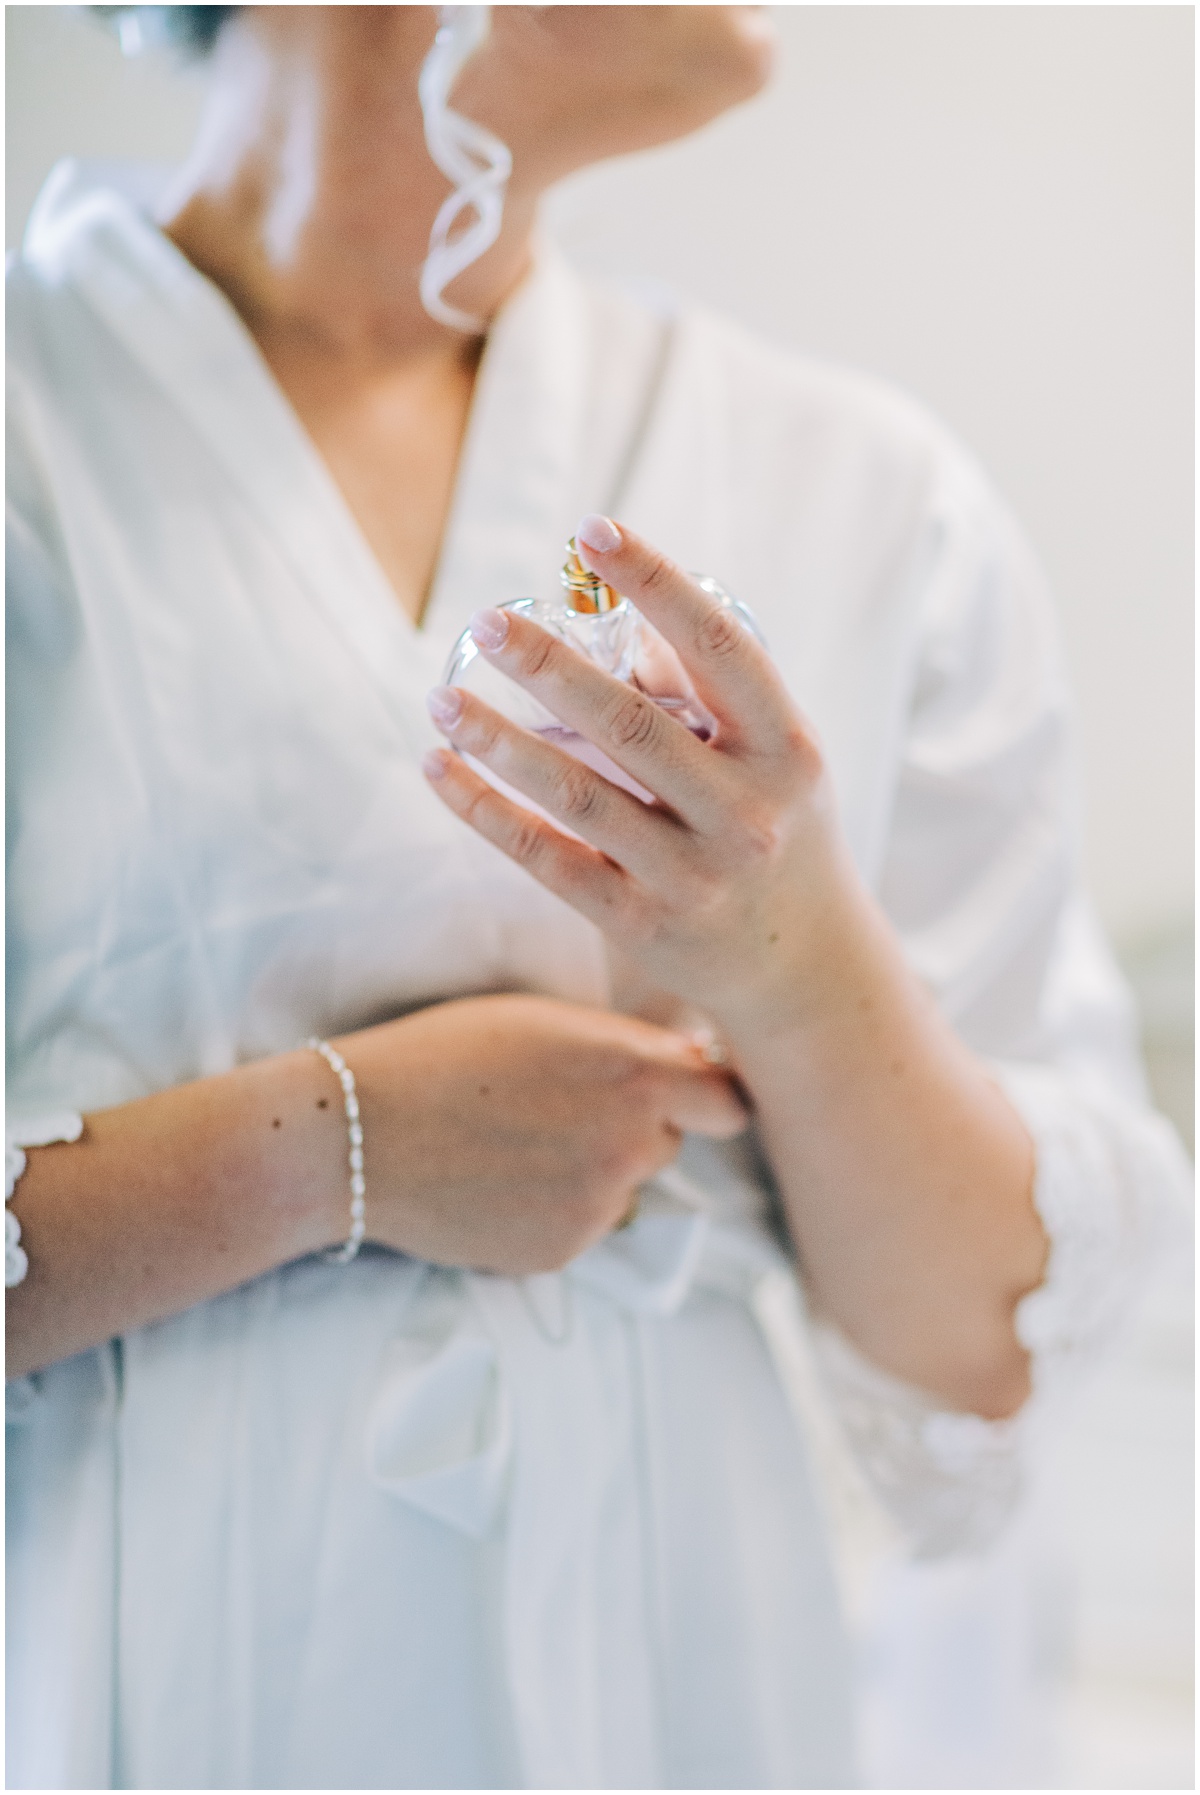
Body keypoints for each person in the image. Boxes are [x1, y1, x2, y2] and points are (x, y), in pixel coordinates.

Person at [6, 7, 1188, 1788]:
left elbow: (979, 1344)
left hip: (688, 1691)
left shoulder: (862, 493)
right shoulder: (39, 438)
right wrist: (324, 1156)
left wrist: (794, 970)